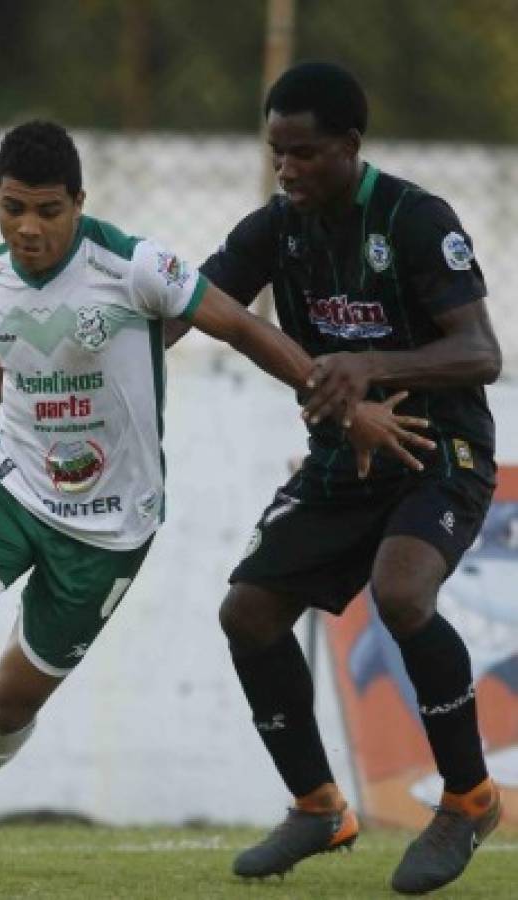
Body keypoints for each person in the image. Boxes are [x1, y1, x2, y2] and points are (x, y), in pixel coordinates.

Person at [0, 119, 428, 877]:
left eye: (47, 210)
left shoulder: (135, 265)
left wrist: (340, 401)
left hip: (108, 529)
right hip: (16, 485)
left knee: (9, 706)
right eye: (11, 208)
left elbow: (237, 327)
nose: (27, 228)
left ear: (78, 203)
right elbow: (23, 352)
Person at [190, 62, 502, 895]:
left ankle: (468, 798)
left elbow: (481, 354)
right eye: (275, 153)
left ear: (349, 147)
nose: (286, 170)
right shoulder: (275, 227)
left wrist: (363, 364)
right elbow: (207, 307)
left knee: (401, 596)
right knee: (247, 614)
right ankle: (317, 806)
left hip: (438, 450)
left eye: (303, 153)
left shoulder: (411, 217)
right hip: (342, 456)